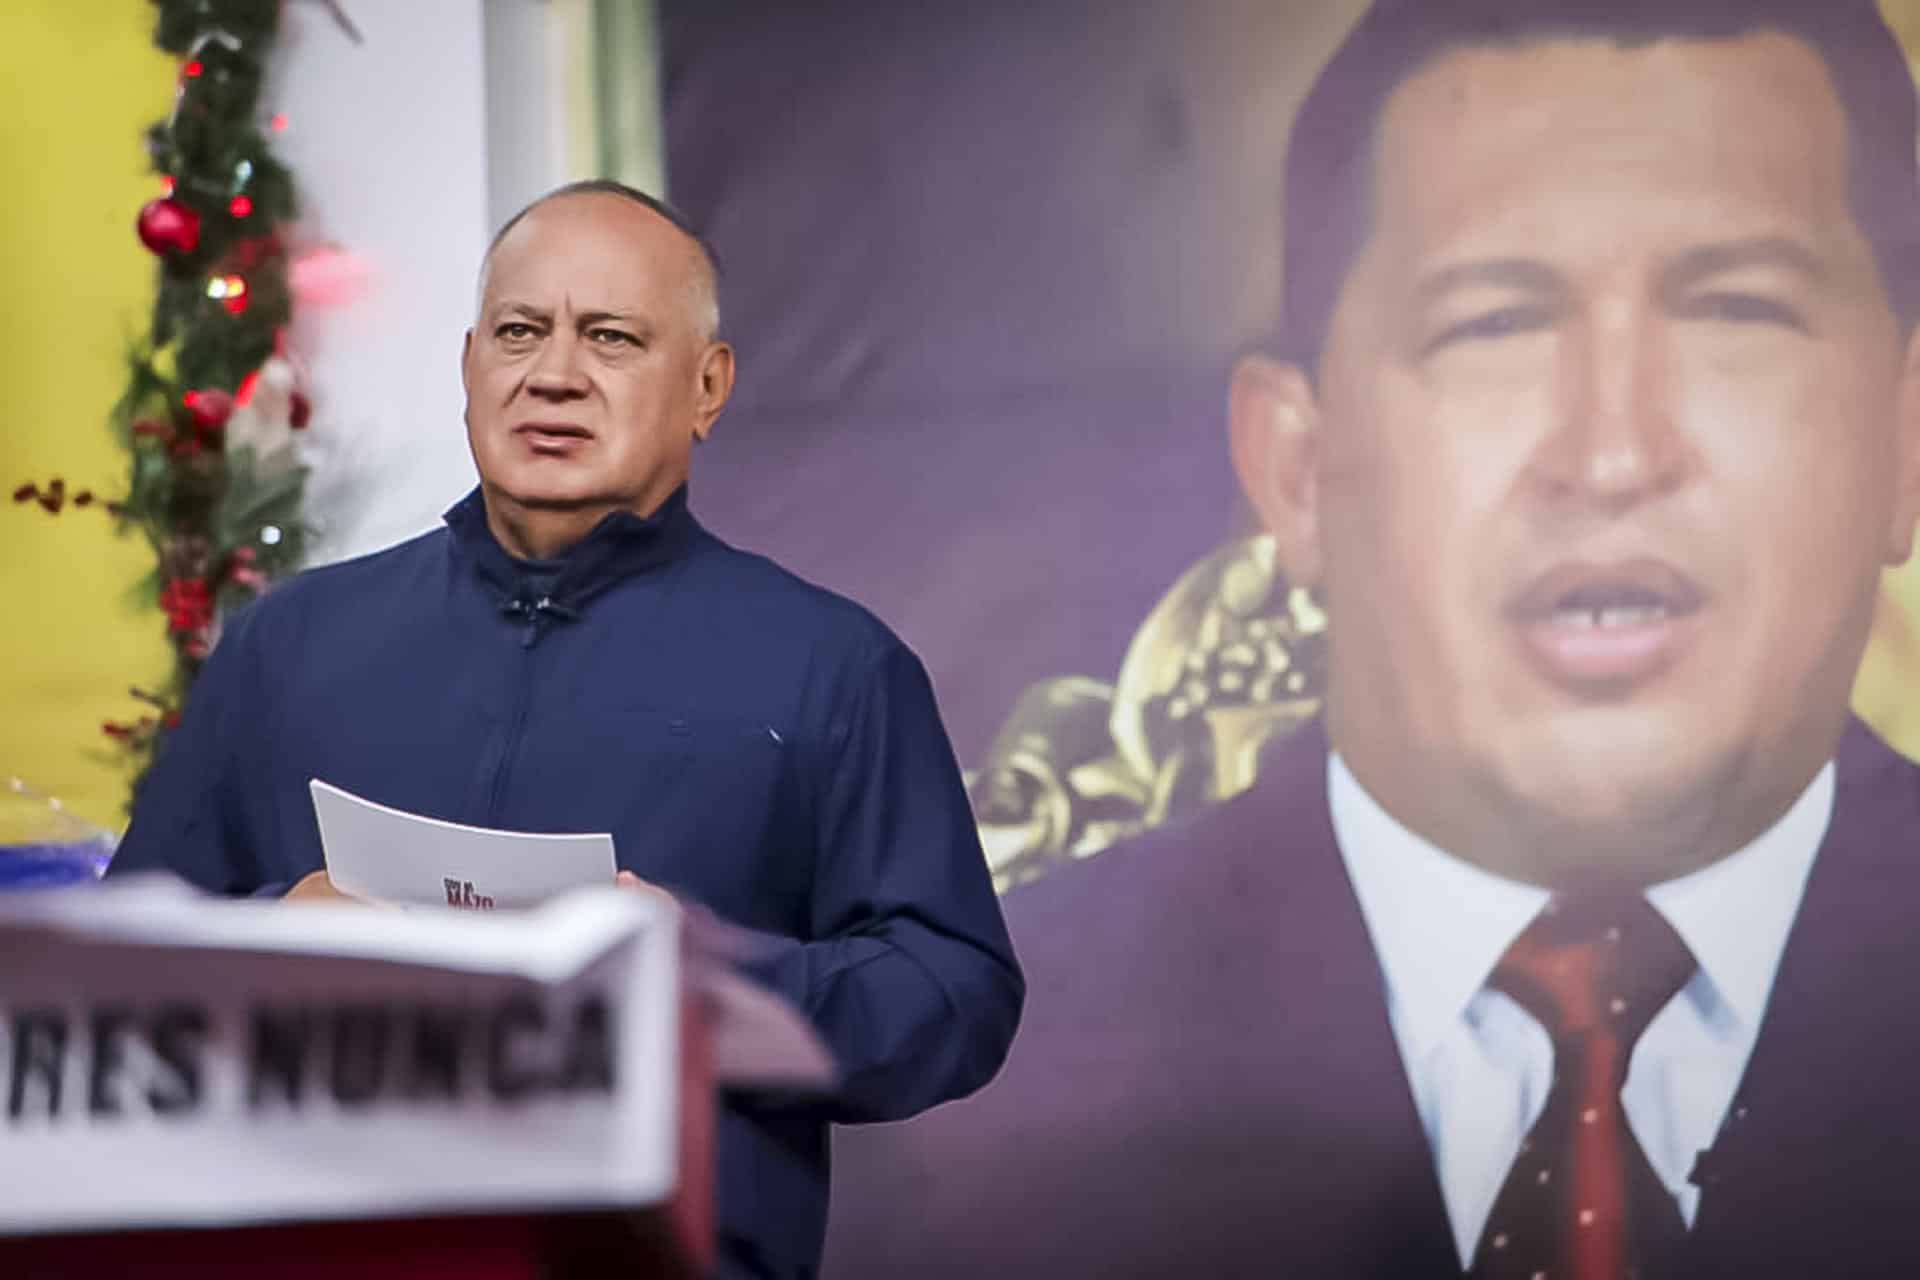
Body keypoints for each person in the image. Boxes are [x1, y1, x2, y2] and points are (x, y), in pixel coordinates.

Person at [824, 1, 1920, 1275]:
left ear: (1904, 443)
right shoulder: (953, 1101)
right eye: (1496, 325)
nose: (1614, 453)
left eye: (1735, 310)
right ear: (1296, 470)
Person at [108, 179, 1024, 1280]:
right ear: (469, 366)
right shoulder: (286, 644)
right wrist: (275, 937)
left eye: (612, 338)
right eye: (519, 331)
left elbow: (955, 999)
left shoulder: (833, 667)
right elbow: (116, 976)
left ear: (708, 386)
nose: (553, 374)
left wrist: (707, 980)